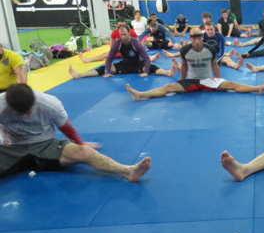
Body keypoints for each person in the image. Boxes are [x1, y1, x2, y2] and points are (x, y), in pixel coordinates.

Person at [0, 84, 150, 181]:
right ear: (8, 104)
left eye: (28, 111)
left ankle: (128, 171)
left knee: (84, 151)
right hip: (11, 148)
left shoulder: (49, 103)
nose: (25, 116)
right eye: (19, 112)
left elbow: (66, 127)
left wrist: (80, 143)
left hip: (45, 145)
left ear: (34, 100)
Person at [125, 28, 264, 101]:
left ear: (202, 37)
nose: (195, 40)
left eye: (198, 37)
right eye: (192, 38)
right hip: (192, 81)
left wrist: (218, 79)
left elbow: (214, 65)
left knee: (232, 84)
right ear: (190, 38)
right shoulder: (185, 50)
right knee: (168, 87)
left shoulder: (210, 49)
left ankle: (258, 88)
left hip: (208, 80)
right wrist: (182, 81)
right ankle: (140, 95)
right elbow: (185, 66)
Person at [69, 25, 178, 79]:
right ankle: (79, 74)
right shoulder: (118, 43)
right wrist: (107, 71)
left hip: (138, 65)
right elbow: (110, 58)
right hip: (124, 65)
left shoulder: (136, 43)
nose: (123, 37)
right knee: (103, 68)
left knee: (152, 67)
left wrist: (146, 71)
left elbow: (145, 58)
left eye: (125, 35)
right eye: (121, 35)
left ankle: (168, 72)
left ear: (129, 34)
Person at [80, 18, 160, 64]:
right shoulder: (114, 33)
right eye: (120, 25)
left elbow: (138, 46)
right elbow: (112, 47)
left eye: (123, 25)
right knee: (105, 54)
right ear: (117, 26)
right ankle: (88, 59)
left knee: (139, 54)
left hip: (130, 51)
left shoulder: (131, 32)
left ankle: (150, 58)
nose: (121, 27)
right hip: (120, 51)